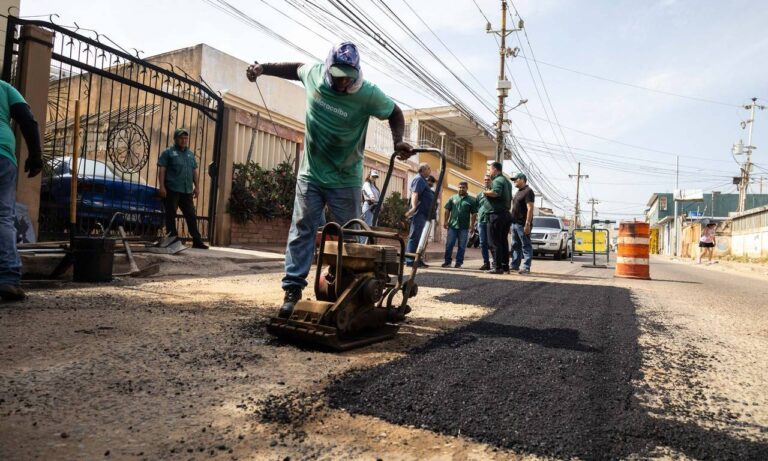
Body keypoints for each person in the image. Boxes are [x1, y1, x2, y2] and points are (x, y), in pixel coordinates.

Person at [246, 42, 413, 318]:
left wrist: (398, 141)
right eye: (338, 75)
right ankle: (292, 291)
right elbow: (293, 68)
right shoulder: (313, 74)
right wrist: (262, 68)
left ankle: (354, 290)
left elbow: (395, 112)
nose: (343, 80)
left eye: (348, 75)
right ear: (327, 69)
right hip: (310, 174)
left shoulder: (367, 94)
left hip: (346, 179)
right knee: (301, 230)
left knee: (351, 236)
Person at [0, 80, 43, 301]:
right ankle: (8, 278)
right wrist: (35, 156)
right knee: (2, 217)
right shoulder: (4, 88)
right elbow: (27, 119)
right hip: (2, 154)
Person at [158, 128, 208, 250]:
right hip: (172, 189)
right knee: (171, 215)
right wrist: (162, 187)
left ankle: (197, 240)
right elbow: (162, 170)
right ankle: (173, 240)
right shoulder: (168, 152)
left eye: (186, 138)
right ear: (175, 139)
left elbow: (194, 171)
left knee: (191, 215)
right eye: (181, 138)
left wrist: (197, 187)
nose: (184, 140)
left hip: (187, 190)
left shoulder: (190, 154)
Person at [484, 162, 512, 274]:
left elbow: (496, 193)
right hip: (504, 214)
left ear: (495, 169)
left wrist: (485, 192)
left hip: (496, 215)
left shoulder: (498, 180)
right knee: (503, 242)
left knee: (493, 242)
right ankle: (505, 266)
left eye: (490, 170)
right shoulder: (507, 182)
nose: (489, 172)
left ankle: (497, 267)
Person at [441, 181, 477, 268]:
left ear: (467, 188)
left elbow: (474, 214)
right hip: (452, 226)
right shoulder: (452, 198)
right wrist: (445, 221)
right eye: (460, 187)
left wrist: (472, 225)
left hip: (464, 227)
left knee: (462, 246)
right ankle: (447, 262)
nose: (461, 189)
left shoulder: (471, 200)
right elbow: (447, 210)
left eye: (463, 187)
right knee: (449, 244)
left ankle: (459, 262)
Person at [404, 163, 433, 267]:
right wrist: (413, 207)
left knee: (420, 237)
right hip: (419, 213)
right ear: (423, 169)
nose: (430, 171)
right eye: (429, 169)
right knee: (415, 236)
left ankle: (417, 259)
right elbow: (415, 193)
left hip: (424, 213)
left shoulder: (423, 180)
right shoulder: (418, 179)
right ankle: (410, 261)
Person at [509, 172, 535, 274]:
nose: (514, 181)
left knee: (526, 245)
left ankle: (526, 267)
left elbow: (530, 208)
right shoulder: (518, 192)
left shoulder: (528, 191)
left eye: (516, 179)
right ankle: (515, 265)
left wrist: (527, 224)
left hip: (522, 224)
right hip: (514, 223)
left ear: (523, 180)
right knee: (515, 245)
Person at [476, 174, 494, 271]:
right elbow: (478, 207)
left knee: (492, 243)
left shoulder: (494, 193)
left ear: (492, 181)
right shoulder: (480, 195)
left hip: (490, 221)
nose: (486, 181)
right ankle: (486, 263)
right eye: (485, 180)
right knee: (483, 243)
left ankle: (495, 263)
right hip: (481, 221)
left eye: (488, 179)